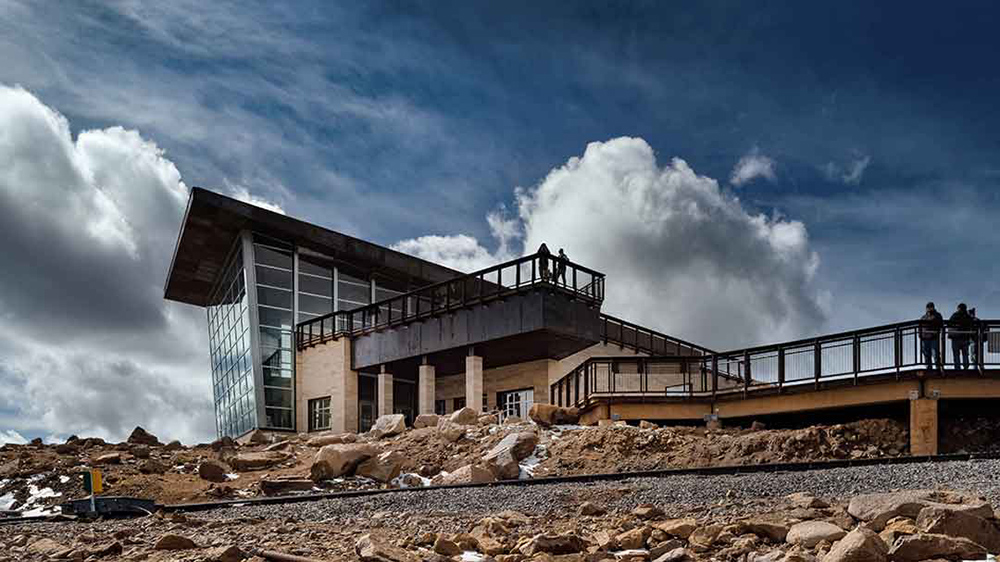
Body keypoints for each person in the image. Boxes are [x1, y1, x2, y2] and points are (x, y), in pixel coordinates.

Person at [948, 303, 974, 370]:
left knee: (956, 354)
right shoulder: (967, 316)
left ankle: (957, 368)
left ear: (958, 308)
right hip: (964, 337)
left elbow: (949, 324)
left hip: (956, 337)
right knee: (965, 354)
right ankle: (965, 368)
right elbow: (971, 325)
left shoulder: (954, 315)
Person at [919, 302, 944, 371]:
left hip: (934, 337)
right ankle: (929, 368)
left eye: (930, 307)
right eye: (928, 307)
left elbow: (941, 325)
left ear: (933, 307)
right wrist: (920, 335)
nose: (929, 308)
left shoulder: (937, 315)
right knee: (926, 354)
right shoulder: (923, 317)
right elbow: (920, 327)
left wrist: (936, 332)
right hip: (924, 338)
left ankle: (938, 368)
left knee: (935, 354)